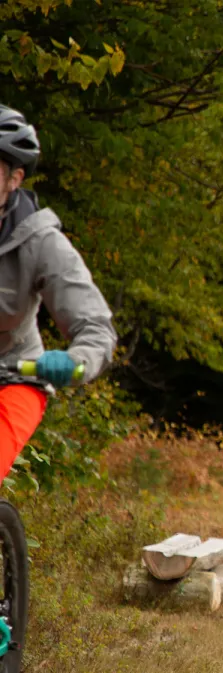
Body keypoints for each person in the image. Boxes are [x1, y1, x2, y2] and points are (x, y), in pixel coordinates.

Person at [0, 105, 116, 475]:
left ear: (14, 179)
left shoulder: (40, 242)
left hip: (12, 376)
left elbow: (96, 329)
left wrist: (75, 360)